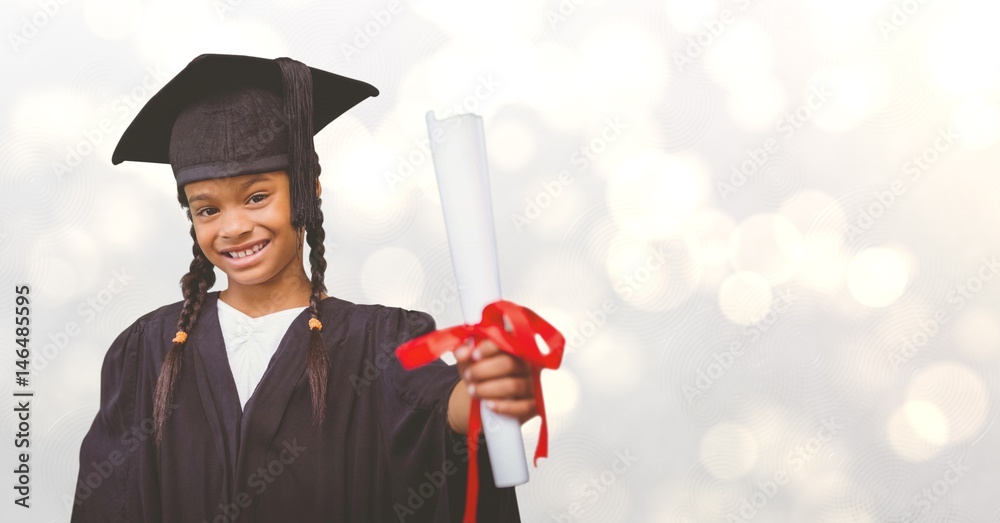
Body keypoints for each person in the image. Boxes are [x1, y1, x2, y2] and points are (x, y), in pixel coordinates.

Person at [70, 53, 535, 522]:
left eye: (257, 197)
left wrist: (489, 391)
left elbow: (438, 416)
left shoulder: (378, 341)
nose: (232, 227)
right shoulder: (149, 349)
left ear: (309, 188)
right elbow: (111, 501)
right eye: (207, 209)